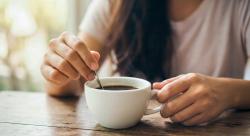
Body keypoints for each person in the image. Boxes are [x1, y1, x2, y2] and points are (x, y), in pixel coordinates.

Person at [40, 0, 250, 126]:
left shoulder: (240, 7)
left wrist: (228, 92)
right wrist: (59, 67)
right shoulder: (114, 4)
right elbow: (70, 84)